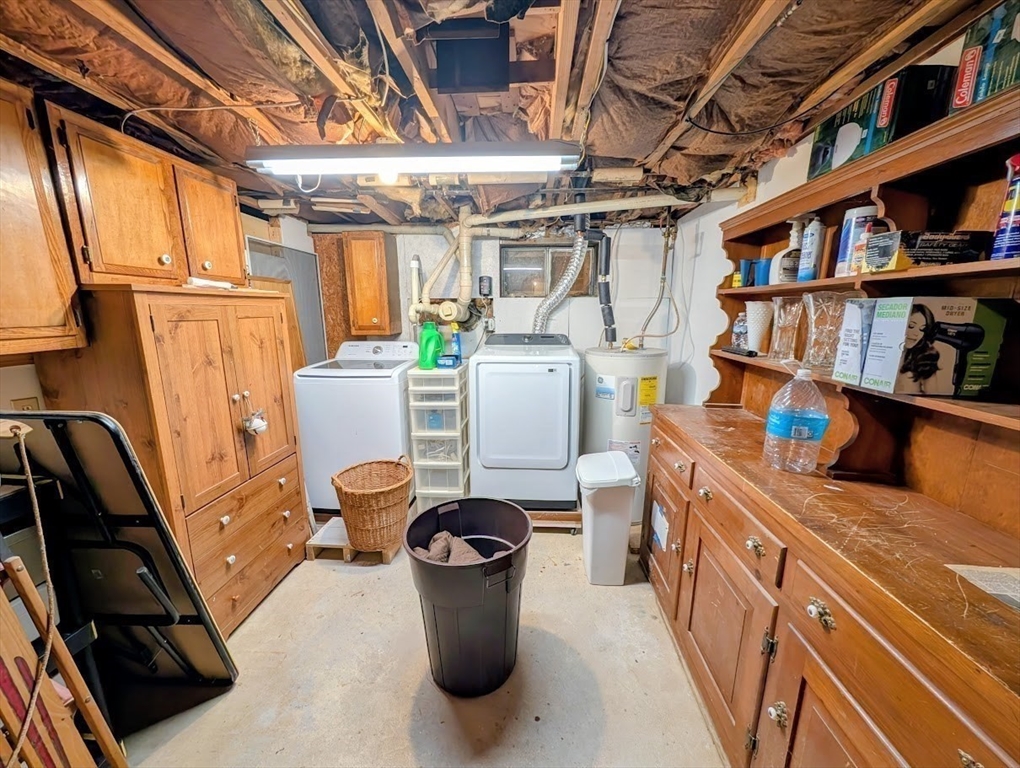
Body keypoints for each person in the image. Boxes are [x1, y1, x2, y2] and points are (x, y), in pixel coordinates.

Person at [896, 303, 951, 394]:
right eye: (911, 326)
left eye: (922, 329)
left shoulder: (925, 357)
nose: (916, 334)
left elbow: (932, 394)